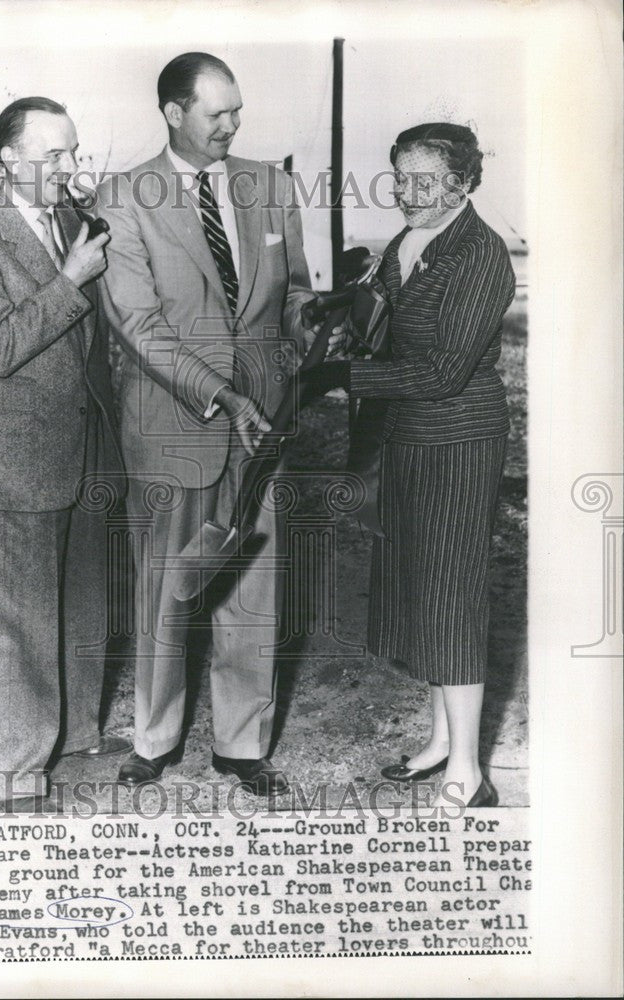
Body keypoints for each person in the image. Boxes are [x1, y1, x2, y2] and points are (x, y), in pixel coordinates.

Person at [97, 52, 329, 794]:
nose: (234, 124)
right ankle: (155, 737)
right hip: (174, 412)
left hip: (266, 417)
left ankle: (242, 745)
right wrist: (224, 396)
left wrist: (310, 330)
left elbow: (292, 290)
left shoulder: (271, 184)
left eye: (238, 110)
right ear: (173, 112)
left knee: (254, 580)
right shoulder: (125, 196)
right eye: (217, 112)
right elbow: (138, 321)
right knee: (169, 579)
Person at [0, 96, 130, 813]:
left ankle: (75, 735)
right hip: (15, 453)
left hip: (86, 447)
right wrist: (72, 278)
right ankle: (14, 774)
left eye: (73, 152)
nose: (70, 168)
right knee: (12, 619)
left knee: (82, 600)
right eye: (54, 155)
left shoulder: (76, 223)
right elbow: (0, 346)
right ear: (8, 160)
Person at [346, 123, 516, 807]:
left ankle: (469, 773)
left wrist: (345, 373)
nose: (405, 192)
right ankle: (444, 741)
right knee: (424, 594)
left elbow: (445, 370)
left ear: (464, 183)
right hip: (409, 437)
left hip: (459, 439)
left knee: (453, 597)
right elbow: (389, 337)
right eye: (399, 177)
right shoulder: (408, 241)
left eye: (423, 180)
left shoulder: (482, 252)